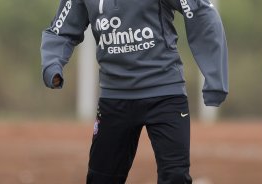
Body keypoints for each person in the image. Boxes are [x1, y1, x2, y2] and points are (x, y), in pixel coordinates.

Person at [41, 0, 228, 183]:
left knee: (175, 176)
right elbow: (60, 31)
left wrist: (215, 78)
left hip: (166, 95)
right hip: (114, 99)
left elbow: (200, 11)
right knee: (101, 178)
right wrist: (52, 65)